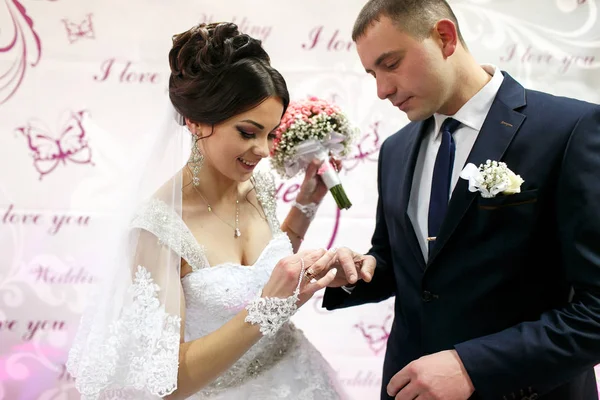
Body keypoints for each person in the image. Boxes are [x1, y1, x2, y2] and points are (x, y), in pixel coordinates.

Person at [322, 1, 600, 399]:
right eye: (372, 74)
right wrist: (350, 273)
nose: (382, 90)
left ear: (445, 37)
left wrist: (473, 366)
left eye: (392, 63)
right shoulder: (396, 150)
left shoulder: (570, 129)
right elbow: (403, 264)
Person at [66, 22, 347, 400]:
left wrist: (307, 204)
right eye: (248, 132)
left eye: (270, 133)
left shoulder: (258, 187)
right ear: (196, 122)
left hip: (299, 377)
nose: (264, 151)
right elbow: (166, 384)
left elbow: (267, 264)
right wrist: (266, 310)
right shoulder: (159, 230)